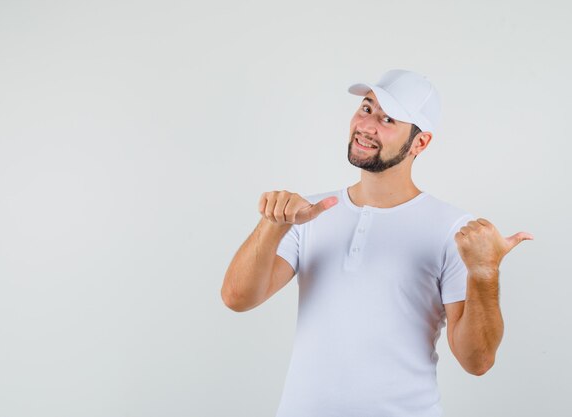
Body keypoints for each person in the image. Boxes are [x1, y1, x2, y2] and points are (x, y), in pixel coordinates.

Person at [221, 69, 533, 417]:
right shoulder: (307, 214)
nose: (367, 126)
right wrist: (272, 225)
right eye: (367, 108)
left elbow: (478, 361)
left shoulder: (455, 231)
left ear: (421, 142)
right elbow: (237, 299)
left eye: (388, 119)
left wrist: (484, 272)